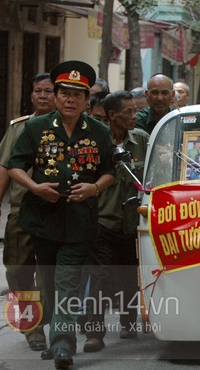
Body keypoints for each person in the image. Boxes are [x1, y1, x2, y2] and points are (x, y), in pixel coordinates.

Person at [7, 60, 116, 370]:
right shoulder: (35, 128)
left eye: (78, 95)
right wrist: (35, 187)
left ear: (87, 101)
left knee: (67, 282)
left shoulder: (98, 132)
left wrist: (94, 188)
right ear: (55, 97)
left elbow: (110, 170)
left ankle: (63, 347)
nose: (70, 99)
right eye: (64, 93)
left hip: (80, 221)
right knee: (50, 282)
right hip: (42, 220)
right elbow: (14, 165)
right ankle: (57, 335)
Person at [0, 73, 56, 352]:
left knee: (48, 271)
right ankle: (32, 325)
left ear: (57, 95)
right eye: (37, 91)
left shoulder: (64, 127)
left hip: (53, 209)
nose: (42, 96)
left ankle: (43, 317)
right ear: (31, 95)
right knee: (18, 268)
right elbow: (5, 166)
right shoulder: (18, 128)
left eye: (48, 91)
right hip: (21, 208)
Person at [83, 91, 150, 352]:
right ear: (112, 116)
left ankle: (128, 321)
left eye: (135, 111)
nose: (134, 116)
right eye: (129, 112)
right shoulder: (96, 141)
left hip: (133, 220)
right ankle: (95, 333)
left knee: (128, 276)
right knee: (99, 276)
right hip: (102, 219)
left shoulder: (142, 140)